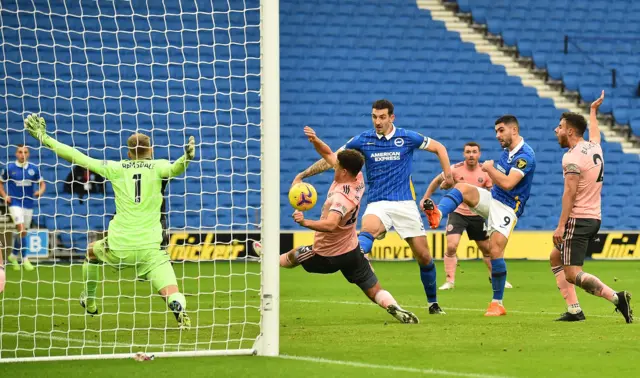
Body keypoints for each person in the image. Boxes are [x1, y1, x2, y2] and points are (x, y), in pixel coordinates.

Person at [25, 114, 195, 329]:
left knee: (91, 252)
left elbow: (77, 157)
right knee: (170, 289)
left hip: (119, 244)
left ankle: (90, 299)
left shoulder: (116, 168)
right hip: (150, 247)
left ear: (128, 152)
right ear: (150, 151)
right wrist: (186, 157)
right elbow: (175, 169)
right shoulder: (159, 166)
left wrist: (44, 138)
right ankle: (177, 303)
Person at [293, 99, 453, 315]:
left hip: (405, 203)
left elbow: (440, 148)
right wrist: (303, 174)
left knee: (424, 256)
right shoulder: (363, 140)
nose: (377, 121)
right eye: (374, 117)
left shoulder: (407, 137)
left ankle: (433, 304)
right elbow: (333, 159)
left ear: (391, 117)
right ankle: (357, 258)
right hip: (378, 202)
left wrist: (449, 176)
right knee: (368, 230)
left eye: (382, 117)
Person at [283, 126, 418, 324]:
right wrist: (315, 141)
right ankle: (393, 306)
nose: (333, 165)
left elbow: (330, 225)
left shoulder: (341, 198)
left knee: (295, 254)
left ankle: (267, 260)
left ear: (344, 170)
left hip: (327, 254)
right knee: (373, 289)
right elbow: (328, 153)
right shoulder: (358, 178)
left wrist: (305, 222)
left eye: (337, 166)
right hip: (352, 250)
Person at [423, 115, 536, 316]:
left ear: (514, 130)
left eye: (501, 130)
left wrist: (490, 169)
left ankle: (497, 303)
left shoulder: (525, 156)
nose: (497, 135)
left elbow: (509, 183)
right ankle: (439, 213)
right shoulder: (507, 152)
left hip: (508, 207)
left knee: (494, 251)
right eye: (496, 131)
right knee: (463, 188)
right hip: (493, 198)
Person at [550, 91, 632, 323]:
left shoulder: (571, 158)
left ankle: (617, 298)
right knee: (555, 258)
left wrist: (560, 226)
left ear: (571, 131)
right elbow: (595, 132)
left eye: (560, 126)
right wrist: (593, 112)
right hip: (594, 216)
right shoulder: (594, 147)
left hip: (578, 218)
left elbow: (570, 193)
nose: (556, 130)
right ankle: (574, 309)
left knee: (572, 272)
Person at [423, 142, 512, 290]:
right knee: (451, 245)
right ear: (464, 154)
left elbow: (492, 194)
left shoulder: (485, 171)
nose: (471, 155)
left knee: (488, 250)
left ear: (479, 154)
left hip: (476, 214)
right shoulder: (455, 169)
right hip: (458, 213)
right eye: (468, 152)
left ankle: (495, 277)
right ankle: (450, 281)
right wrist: (426, 197)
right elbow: (437, 181)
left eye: (474, 152)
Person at [0, 144, 46, 271]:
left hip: (28, 204)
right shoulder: (9, 168)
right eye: (20, 152)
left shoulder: (33, 169)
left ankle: (13, 256)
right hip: (14, 203)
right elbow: (0, 183)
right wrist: (4, 195)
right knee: (21, 230)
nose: (23, 154)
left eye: (25, 152)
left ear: (28, 154)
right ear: (16, 154)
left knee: (22, 232)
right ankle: (25, 259)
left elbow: (42, 184)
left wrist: (40, 192)